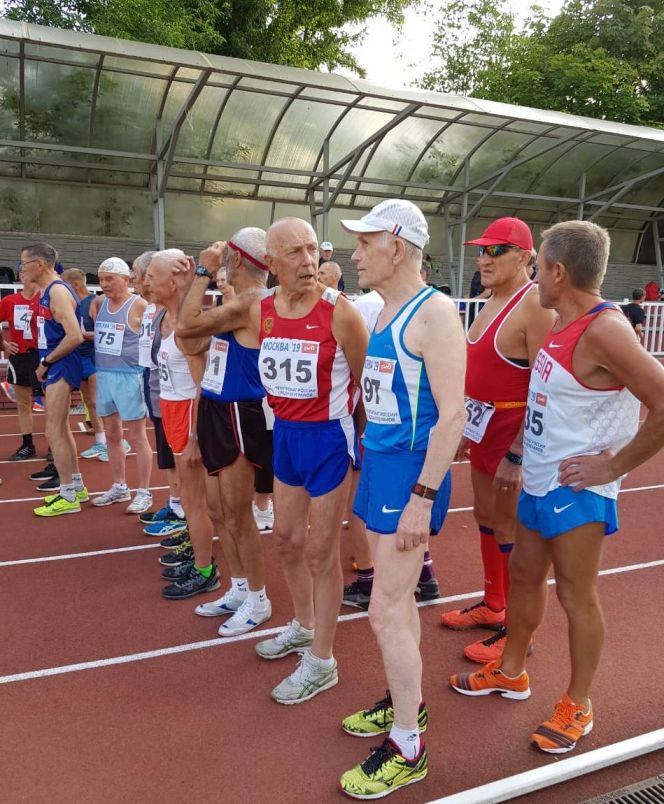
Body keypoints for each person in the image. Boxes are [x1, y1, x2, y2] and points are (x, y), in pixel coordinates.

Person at [448, 220, 664, 755]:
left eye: (539, 266)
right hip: (540, 479)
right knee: (523, 574)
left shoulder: (605, 329)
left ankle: (578, 704)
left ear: (558, 271)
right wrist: (520, 453)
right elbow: (544, 397)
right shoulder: (559, 322)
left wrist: (613, 469)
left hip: (579, 489)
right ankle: (512, 671)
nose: (535, 277)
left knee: (574, 593)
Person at [176, 217, 368, 704]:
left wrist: (359, 448)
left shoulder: (341, 313)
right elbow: (187, 328)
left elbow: (363, 386)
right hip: (284, 435)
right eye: (295, 254)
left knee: (322, 552)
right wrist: (203, 270)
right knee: (285, 539)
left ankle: (323, 661)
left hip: (328, 440)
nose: (309, 262)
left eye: (312, 251)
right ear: (273, 263)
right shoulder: (255, 307)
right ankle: (304, 625)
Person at [337, 199, 466, 800]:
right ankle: (402, 702)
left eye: (364, 242)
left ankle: (408, 745)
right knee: (399, 605)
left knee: (384, 608)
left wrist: (422, 497)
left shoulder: (434, 312)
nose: (354, 254)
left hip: (409, 477)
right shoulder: (383, 310)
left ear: (397, 245)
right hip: (382, 467)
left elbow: (453, 416)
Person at [441, 217, 555, 664]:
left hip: (514, 435)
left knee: (513, 531)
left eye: (495, 252)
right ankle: (494, 604)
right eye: (481, 251)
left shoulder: (535, 307)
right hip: (485, 431)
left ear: (525, 257)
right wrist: (468, 430)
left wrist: (518, 453)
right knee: (486, 517)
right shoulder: (490, 302)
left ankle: (518, 632)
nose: (483, 259)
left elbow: (546, 389)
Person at [178, 228, 274, 632]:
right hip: (218, 406)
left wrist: (202, 270)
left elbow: (184, 328)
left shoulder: (251, 300)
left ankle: (258, 598)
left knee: (238, 514)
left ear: (234, 259)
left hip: (240, 411)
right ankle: (237, 587)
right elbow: (190, 344)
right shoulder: (233, 304)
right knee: (218, 510)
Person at [143, 249, 221, 599]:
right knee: (190, 503)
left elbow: (203, 387)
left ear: (172, 281)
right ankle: (198, 555)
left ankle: (205, 570)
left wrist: (193, 438)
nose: (144, 281)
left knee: (196, 502)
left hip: (188, 417)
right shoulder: (166, 318)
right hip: (173, 412)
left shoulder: (186, 330)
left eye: (151, 275)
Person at [20, 243, 88, 516]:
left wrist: (46, 362)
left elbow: (75, 336)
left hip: (60, 365)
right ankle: (77, 487)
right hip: (56, 364)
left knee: (54, 431)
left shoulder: (58, 292)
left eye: (24, 263)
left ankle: (68, 495)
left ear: (40, 264)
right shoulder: (50, 291)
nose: (21, 268)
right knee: (62, 429)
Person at [90, 257, 153, 514]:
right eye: (101, 279)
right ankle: (119, 486)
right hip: (104, 375)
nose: (103, 284)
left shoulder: (139, 305)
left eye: (109, 279)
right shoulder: (98, 303)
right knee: (112, 435)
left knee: (137, 436)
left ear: (126, 279)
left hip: (130, 376)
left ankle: (145, 492)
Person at [61, 269, 106, 458]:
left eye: (64, 285)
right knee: (89, 402)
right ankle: (100, 441)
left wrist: (80, 335)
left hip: (94, 358)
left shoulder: (94, 302)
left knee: (98, 402)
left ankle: (116, 442)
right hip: (78, 358)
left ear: (75, 284)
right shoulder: (71, 304)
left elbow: (103, 333)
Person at [0, 267, 41, 461]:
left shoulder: (47, 298)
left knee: (52, 404)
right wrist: (4, 344)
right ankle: (27, 444)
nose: (27, 276)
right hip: (20, 357)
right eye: (23, 273)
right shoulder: (10, 301)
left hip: (43, 357)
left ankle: (55, 444)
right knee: (24, 403)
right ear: (20, 277)